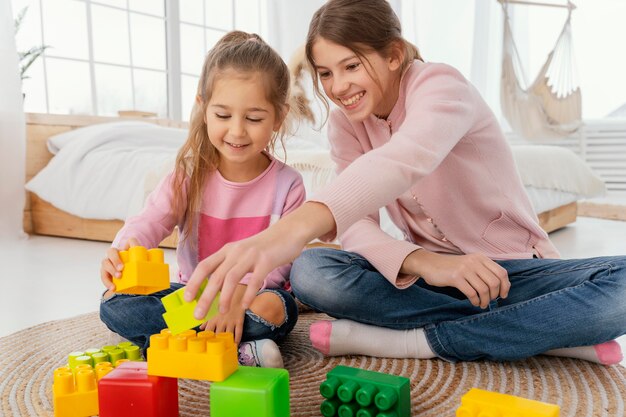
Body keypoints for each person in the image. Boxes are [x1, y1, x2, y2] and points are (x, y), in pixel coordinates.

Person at [184, 0, 626, 365]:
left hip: (509, 272)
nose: (338, 86)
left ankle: (418, 342)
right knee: (312, 272)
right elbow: (356, 225)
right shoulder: (345, 126)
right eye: (325, 73)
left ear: (393, 55)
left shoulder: (441, 86)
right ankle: (541, 330)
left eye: (351, 66)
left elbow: (401, 161)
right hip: (428, 279)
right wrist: (427, 264)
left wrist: (290, 230)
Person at [99, 31, 305, 368]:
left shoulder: (289, 185)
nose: (237, 131)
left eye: (253, 119)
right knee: (113, 302)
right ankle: (236, 348)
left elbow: (282, 261)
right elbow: (149, 220)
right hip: (192, 298)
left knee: (279, 308)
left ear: (278, 117)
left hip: (250, 296)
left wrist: (238, 293)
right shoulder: (188, 176)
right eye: (223, 116)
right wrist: (123, 251)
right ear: (203, 109)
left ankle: (173, 342)